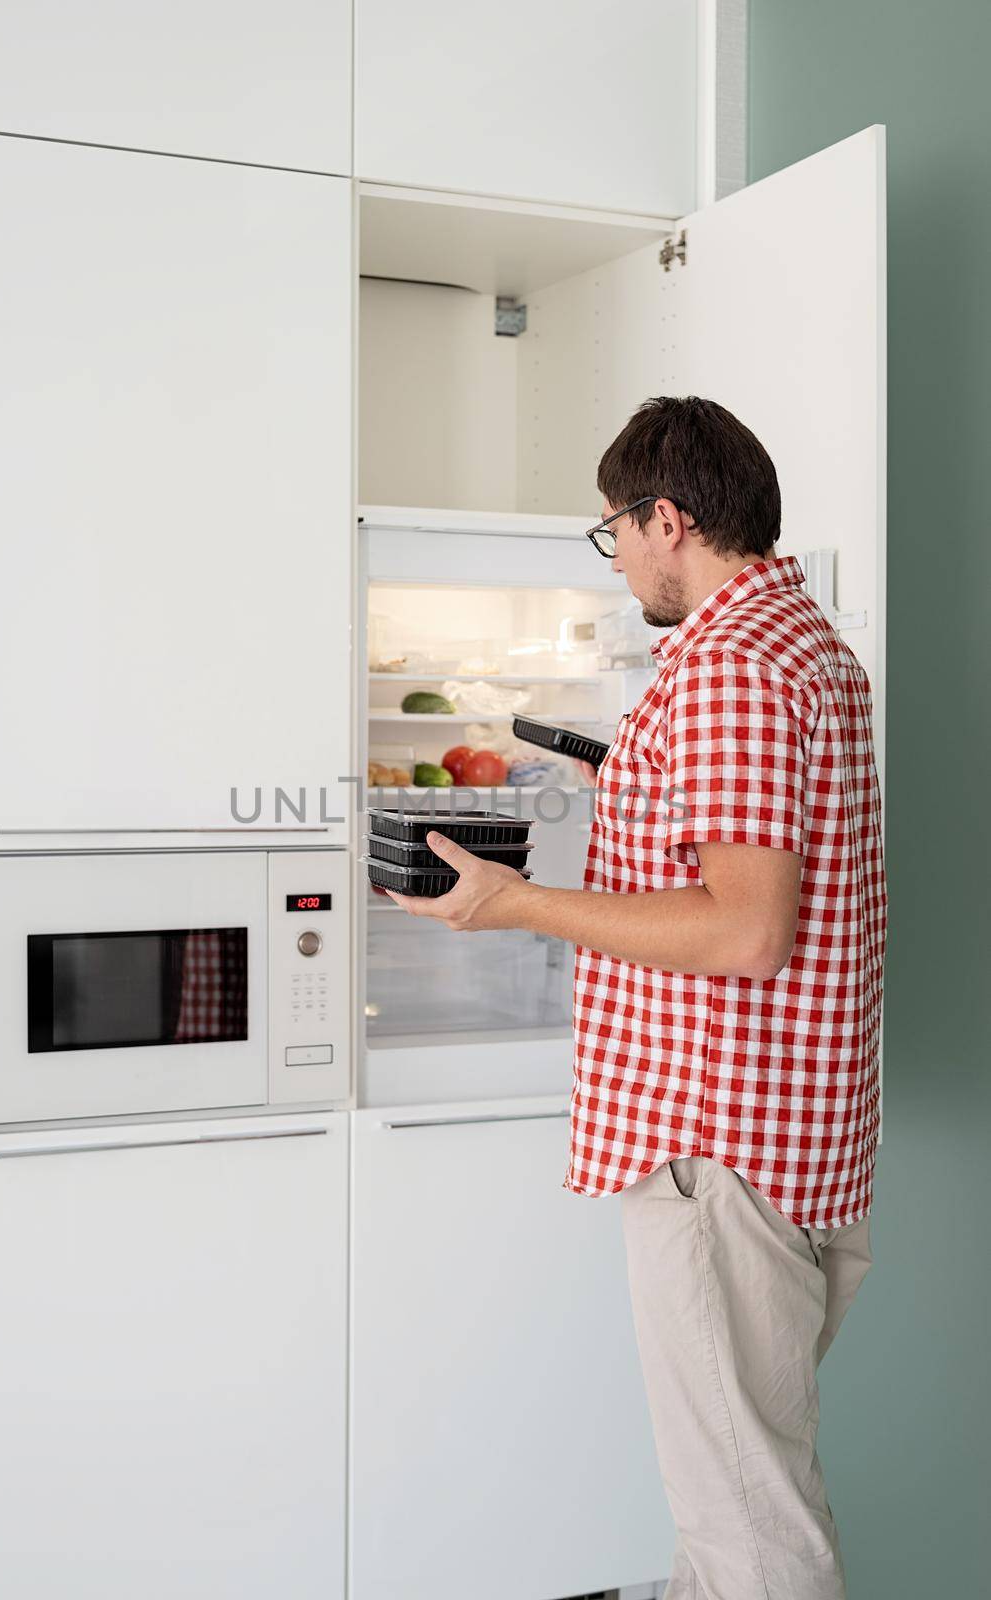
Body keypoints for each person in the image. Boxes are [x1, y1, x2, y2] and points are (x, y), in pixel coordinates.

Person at [384, 395, 886, 1600]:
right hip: (798, 1136)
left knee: (754, 1529)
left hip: (717, 1144)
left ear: (669, 518)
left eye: (616, 535)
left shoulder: (725, 667)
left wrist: (512, 903)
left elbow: (746, 928)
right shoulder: (807, 644)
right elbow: (767, 845)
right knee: (745, 1483)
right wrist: (627, 774)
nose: (619, 566)